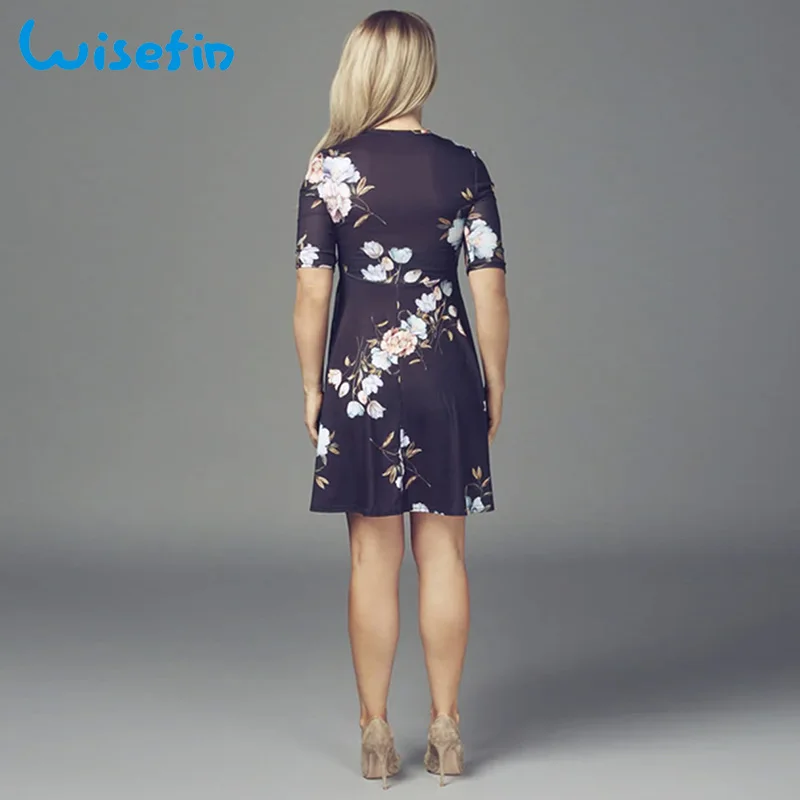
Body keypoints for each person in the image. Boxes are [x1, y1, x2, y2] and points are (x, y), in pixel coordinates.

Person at [292, 9, 509, 788]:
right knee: (444, 552)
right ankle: (446, 727)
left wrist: (312, 385)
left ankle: (376, 731)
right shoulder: (465, 166)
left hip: (361, 380)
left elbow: (312, 292)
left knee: (370, 556)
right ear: (424, 71)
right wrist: (494, 380)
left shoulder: (329, 169)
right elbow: (489, 289)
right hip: (446, 372)